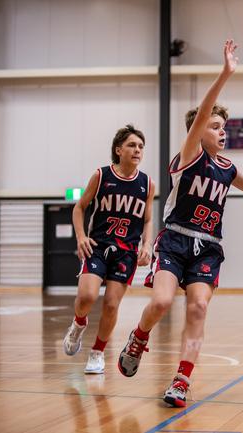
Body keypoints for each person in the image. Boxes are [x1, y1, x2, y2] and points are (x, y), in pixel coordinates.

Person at [117, 40, 243, 408]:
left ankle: (181, 379)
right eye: (216, 126)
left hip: (208, 245)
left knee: (198, 308)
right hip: (175, 240)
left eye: (224, 127)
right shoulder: (189, 156)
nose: (223, 132)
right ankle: (138, 338)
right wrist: (225, 74)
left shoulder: (227, 169)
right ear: (199, 130)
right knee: (160, 302)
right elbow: (206, 108)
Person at [63, 124, 154, 375]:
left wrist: (147, 245)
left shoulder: (147, 183)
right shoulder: (101, 176)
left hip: (126, 251)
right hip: (98, 245)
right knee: (87, 297)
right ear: (118, 149)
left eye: (141, 146)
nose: (137, 150)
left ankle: (97, 352)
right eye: (132, 145)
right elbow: (79, 207)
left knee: (112, 304)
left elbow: (147, 219)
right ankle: (78, 324)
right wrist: (81, 236)